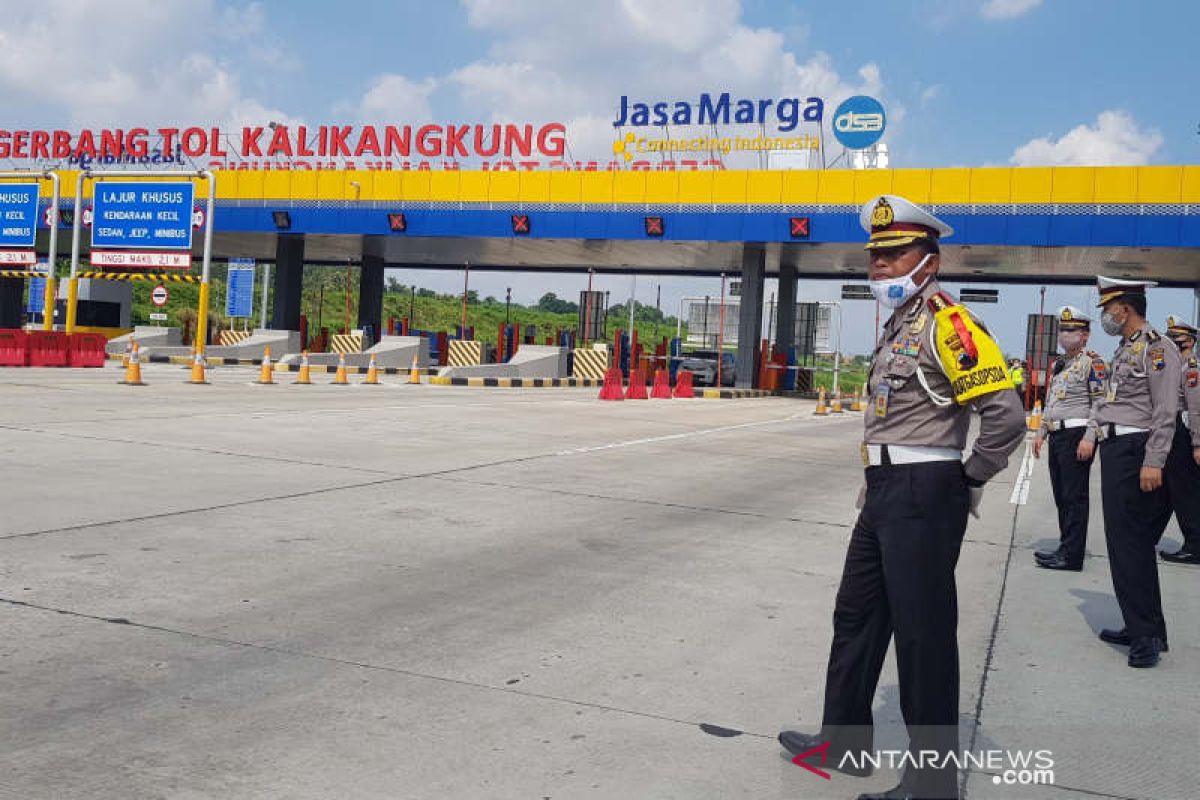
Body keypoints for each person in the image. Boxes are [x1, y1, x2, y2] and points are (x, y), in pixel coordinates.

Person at [778, 195, 1026, 800]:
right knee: (857, 616)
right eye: (876, 257)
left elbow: (1007, 418)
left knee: (923, 636)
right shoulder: (898, 325)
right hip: (885, 490)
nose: (882, 266)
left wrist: (969, 478)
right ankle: (844, 744)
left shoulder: (951, 325)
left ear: (930, 261)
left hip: (926, 491)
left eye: (896, 254)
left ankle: (934, 784)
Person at [1082, 277, 1181, 668]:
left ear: (1125, 307)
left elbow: (1164, 411)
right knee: (1127, 544)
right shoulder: (1127, 348)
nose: (1106, 315)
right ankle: (1144, 625)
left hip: (1135, 451)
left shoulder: (1158, 348)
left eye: (1109, 307)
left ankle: (1145, 638)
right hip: (1118, 450)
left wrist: (1154, 460)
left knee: (1130, 544)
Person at [1032, 307, 1107, 571]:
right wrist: (1041, 433)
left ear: (1085, 335)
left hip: (1077, 435)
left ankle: (1072, 556)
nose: (1064, 335)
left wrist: (1090, 437)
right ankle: (1065, 548)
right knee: (1062, 495)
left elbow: (1101, 403)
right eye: (1062, 329)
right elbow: (1051, 402)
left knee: (1074, 497)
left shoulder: (1092, 362)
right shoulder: (1060, 363)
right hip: (1058, 434)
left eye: (1071, 330)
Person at [1159, 314, 1200, 564]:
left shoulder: (1191, 368)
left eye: (1178, 339)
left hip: (1184, 432)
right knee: (1169, 489)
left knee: (1185, 492)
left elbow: (1195, 409)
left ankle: (1194, 545)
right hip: (1172, 430)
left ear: (1191, 342)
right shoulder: (1177, 368)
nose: (1173, 344)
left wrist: (1197, 443)